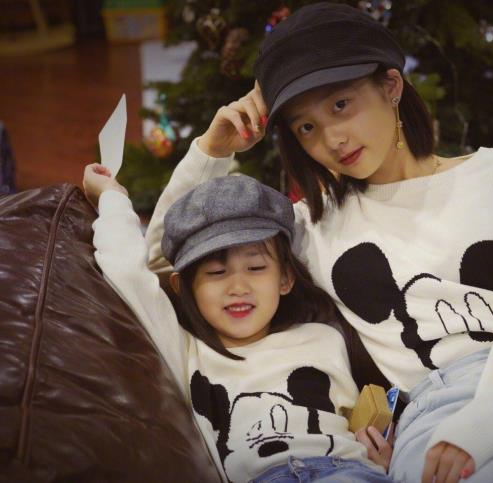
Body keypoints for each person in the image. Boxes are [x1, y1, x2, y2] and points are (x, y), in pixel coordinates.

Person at [144, 3, 493, 482]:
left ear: (391, 86)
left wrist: (486, 427)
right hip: (436, 415)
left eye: (340, 105)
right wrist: (213, 149)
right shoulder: (311, 226)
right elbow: (168, 260)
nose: (331, 138)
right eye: (305, 127)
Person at [82, 164, 395, 483]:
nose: (238, 286)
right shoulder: (186, 352)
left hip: (347, 471)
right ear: (182, 287)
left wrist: (378, 458)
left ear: (285, 278)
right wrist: (112, 196)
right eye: (217, 273)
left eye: (256, 267)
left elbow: (356, 421)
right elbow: (128, 275)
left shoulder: (325, 338)